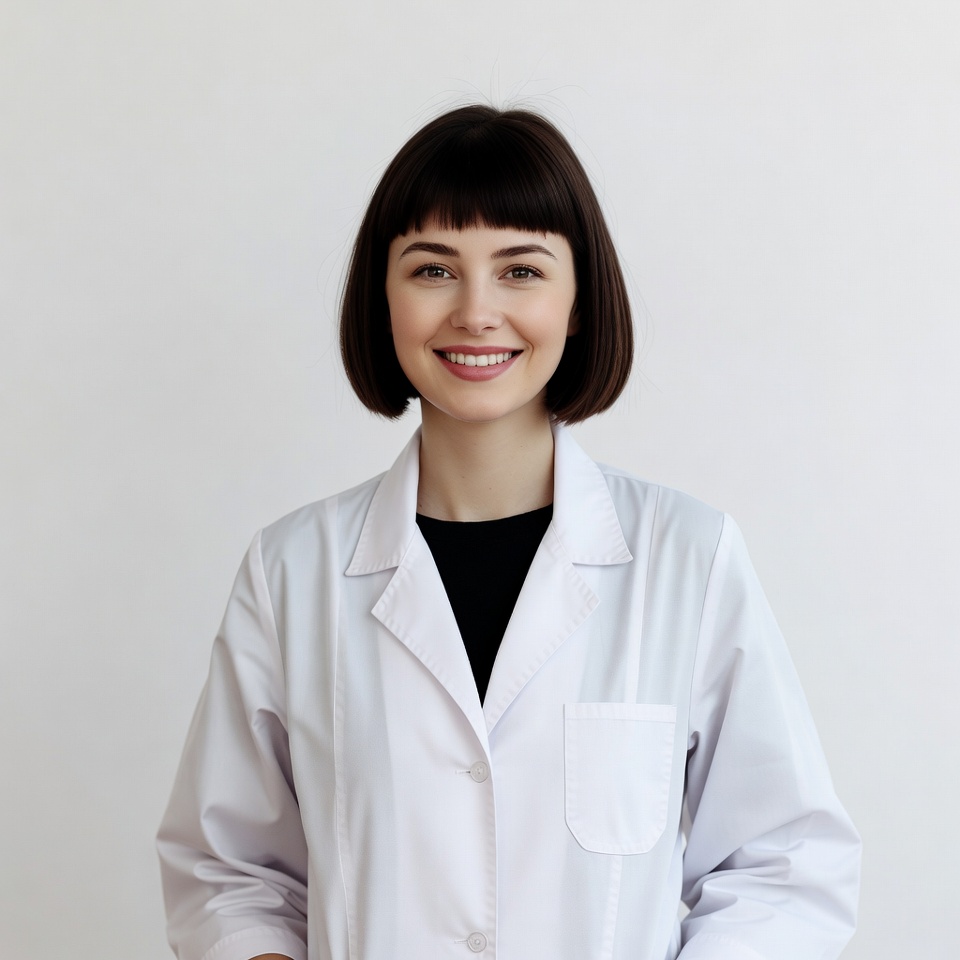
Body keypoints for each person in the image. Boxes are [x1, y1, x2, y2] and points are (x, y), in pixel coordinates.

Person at [157, 105, 860, 960]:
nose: (476, 312)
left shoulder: (687, 556)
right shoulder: (292, 571)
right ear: (384, 298)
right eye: (432, 269)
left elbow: (783, 866)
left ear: (578, 303)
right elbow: (230, 873)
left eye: (521, 270)